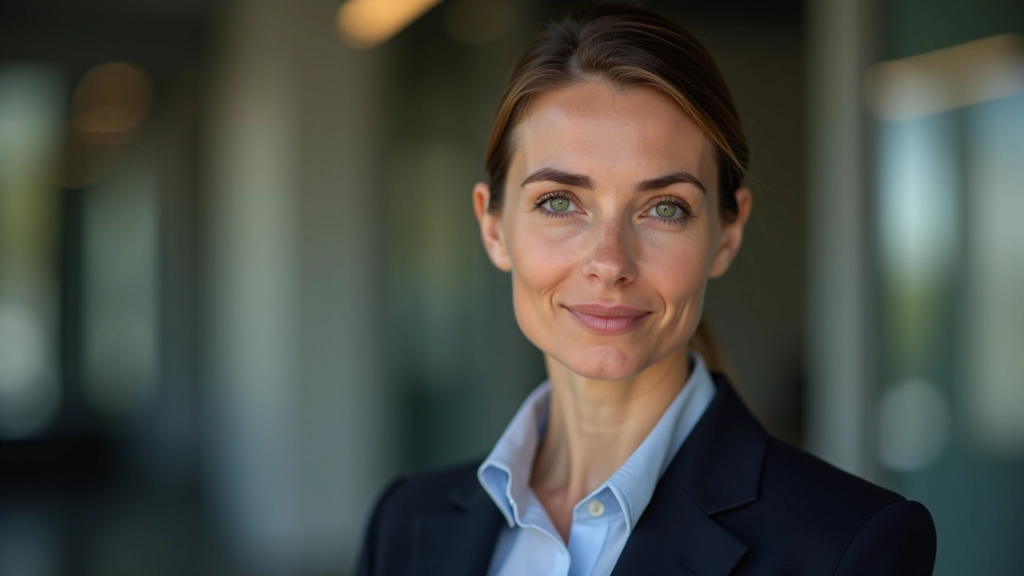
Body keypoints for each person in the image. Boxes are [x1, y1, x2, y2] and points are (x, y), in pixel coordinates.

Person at [355, 4, 937, 575]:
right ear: (493, 227)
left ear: (727, 234)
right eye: (559, 202)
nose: (609, 262)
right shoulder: (403, 525)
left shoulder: (845, 547)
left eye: (664, 208)